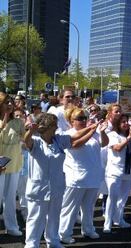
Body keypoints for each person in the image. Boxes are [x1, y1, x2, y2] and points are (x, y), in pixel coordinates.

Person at [23, 113, 99, 248]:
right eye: (54, 125)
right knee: (36, 219)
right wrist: (30, 131)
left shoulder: (58, 140)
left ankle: (53, 241)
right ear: (47, 127)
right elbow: (26, 141)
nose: (57, 128)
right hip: (39, 188)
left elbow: (75, 136)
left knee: (54, 217)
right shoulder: (36, 141)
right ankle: (31, 244)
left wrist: (91, 127)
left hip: (56, 186)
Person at [59, 107, 109, 244]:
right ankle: (64, 233)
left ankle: (88, 229)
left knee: (88, 206)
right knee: (70, 207)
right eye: (80, 118)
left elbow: (104, 143)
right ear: (71, 121)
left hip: (93, 175)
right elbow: (75, 145)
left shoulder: (94, 132)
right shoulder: (67, 134)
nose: (83, 121)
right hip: (76, 177)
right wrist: (91, 130)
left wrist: (102, 132)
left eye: (85, 118)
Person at [104, 114, 131, 233]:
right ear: (117, 124)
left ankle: (118, 218)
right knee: (113, 197)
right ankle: (107, 223)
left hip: (129, 169)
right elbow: (117, 148)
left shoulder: (129, 136)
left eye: (127, 121)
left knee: (123, 198)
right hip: (115, 171)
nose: (126, 124)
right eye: (123, 122)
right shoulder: (112, 135)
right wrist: (130, 137)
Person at [0, 92, 25, 236]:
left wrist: (30, 128)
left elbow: (24, 139)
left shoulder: (18, 121)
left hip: (14, 163)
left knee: (10, 197)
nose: (9, 105)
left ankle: (11, 226)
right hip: (0, 164)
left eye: (10, 102)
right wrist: (4, 117)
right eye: (6, 103)